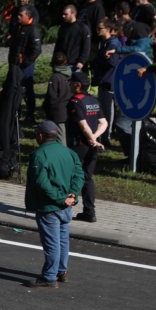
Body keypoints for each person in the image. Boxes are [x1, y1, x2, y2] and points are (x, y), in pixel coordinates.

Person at [24, 120, 84, 288]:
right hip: (66, 207)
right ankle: (61, 271)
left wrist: (59, 198)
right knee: (63, 240)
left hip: (49, 207)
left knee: (52, 244)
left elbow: (42, 183)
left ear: (41, 136)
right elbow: (79, 175)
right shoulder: (69, 153)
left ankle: (49, 277)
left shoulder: (39, 154)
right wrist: (73, 194)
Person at [67, 71, 107, 223]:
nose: (69, 84)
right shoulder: (94, 100)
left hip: (79, 145)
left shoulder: (75, 102)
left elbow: (83, 126)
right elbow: (104, 123)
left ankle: (65, 208)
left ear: (77, 85)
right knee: (88, 178)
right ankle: (89, 212)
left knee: (72, 176)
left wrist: (91, 139)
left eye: (71, 82)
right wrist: (95, 140)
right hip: (92, 146)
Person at [42, 52, 73, 144]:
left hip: (57, 112)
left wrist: (46, 107)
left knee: (60, 137)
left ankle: (62, 155)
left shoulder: (55, 77)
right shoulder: (69, 74)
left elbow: (52, 96)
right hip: (67, 109)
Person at [54, 5, 91, 72]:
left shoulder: (82, 28)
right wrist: (54, 59)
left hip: (75, 64)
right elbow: (58, 45)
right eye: (63, 14)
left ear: (73, 14)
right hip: (61, 63)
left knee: (74, 82)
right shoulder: (63, 28)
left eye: (66, 14)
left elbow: (86, 47)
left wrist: (81, 61)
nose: (63, 16)